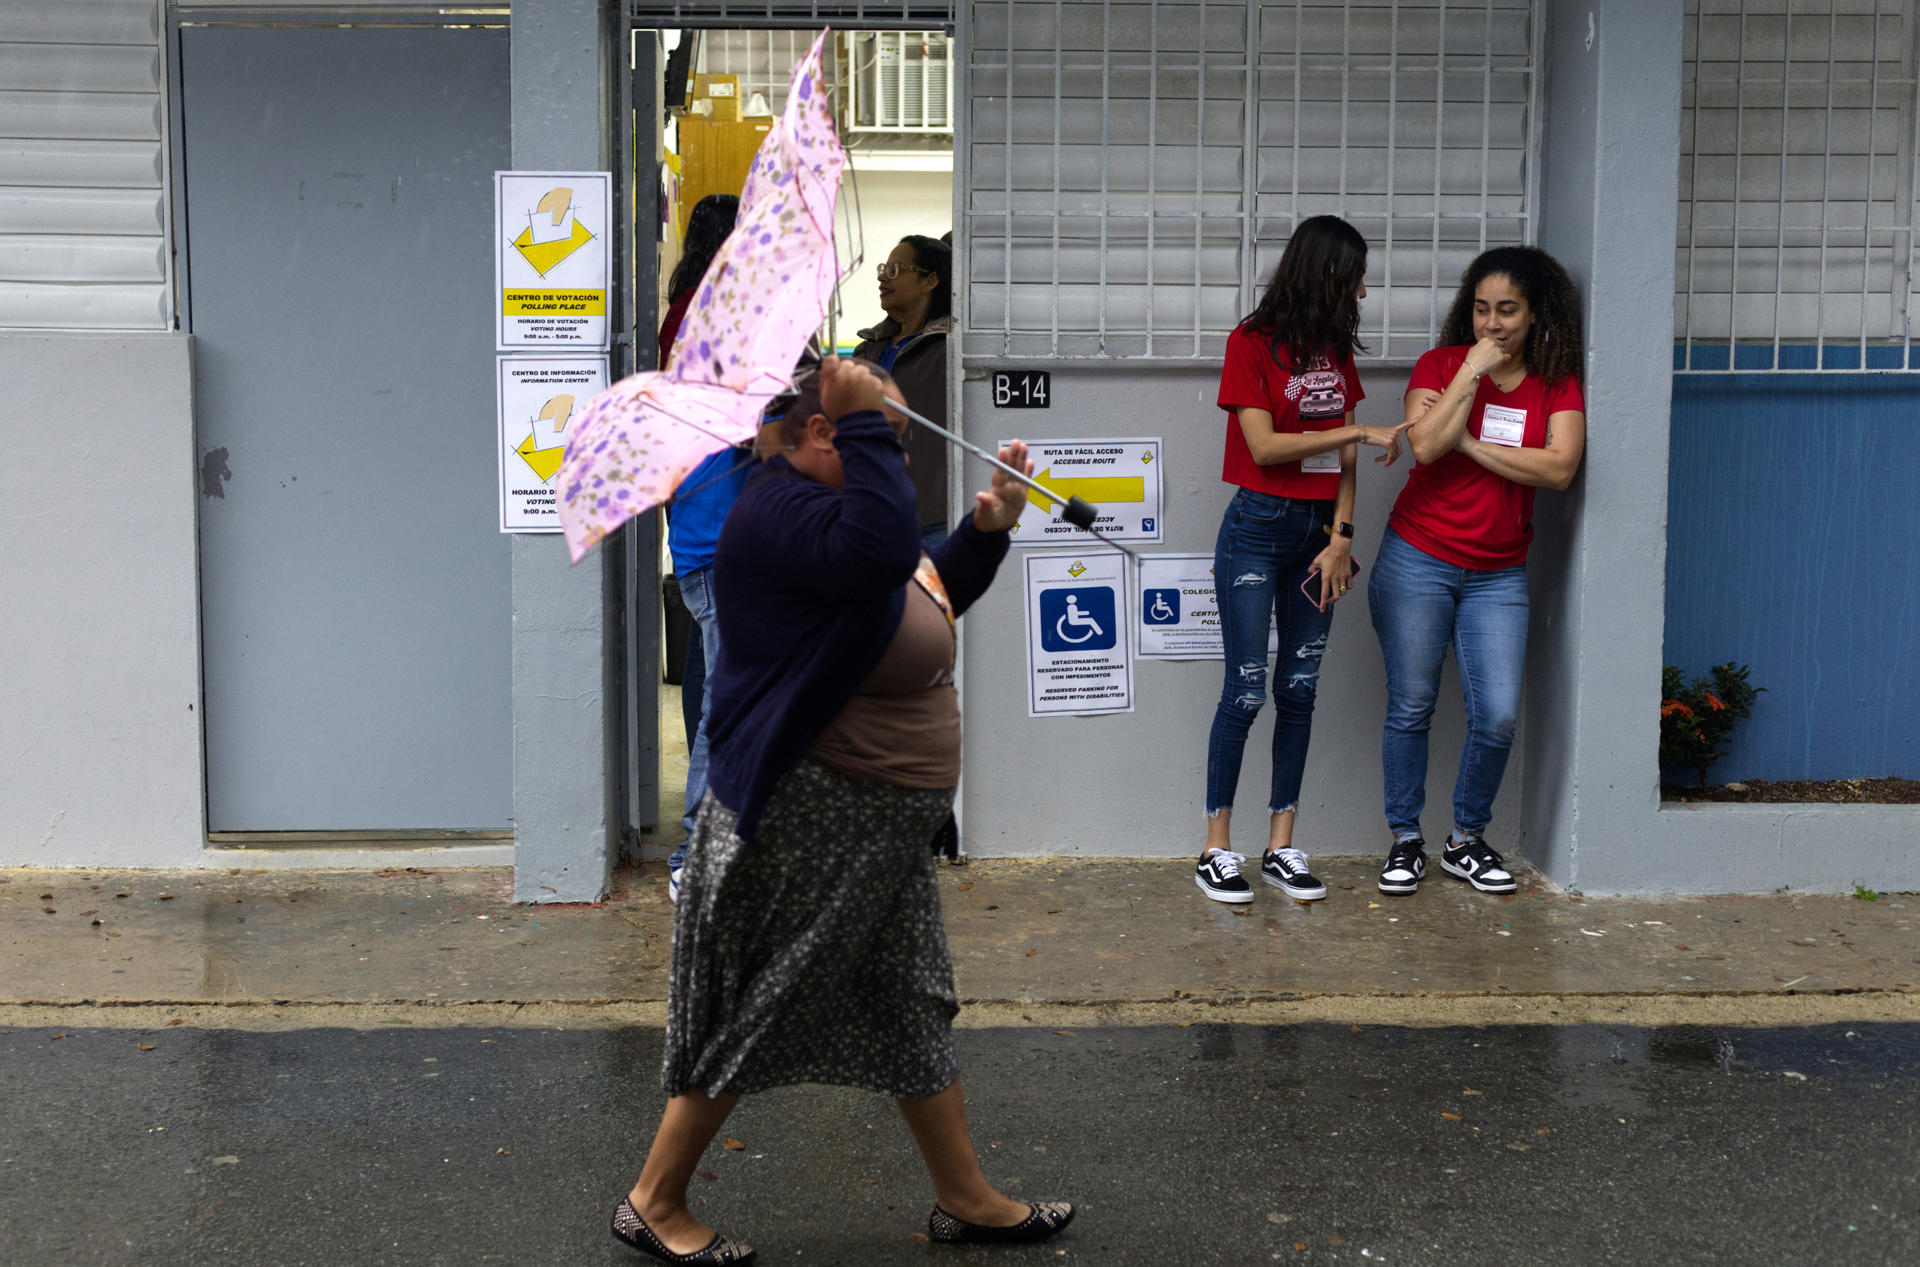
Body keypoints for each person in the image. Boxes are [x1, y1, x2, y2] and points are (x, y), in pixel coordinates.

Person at [610, 355, 1074, 1264]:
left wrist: (983, 533)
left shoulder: (830, 512)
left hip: (876, 826)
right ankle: (654, 1200)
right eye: (885, 437)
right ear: (822, 433)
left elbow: (910, 597)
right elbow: (882, 550)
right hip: (812, 811)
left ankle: (965, 1196)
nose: (895, 459)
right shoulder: (773, 513)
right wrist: (868, 424)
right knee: (766, 1000)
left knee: (909, 1001)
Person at [1194, 215, 1411, 905]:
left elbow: (1345, 458)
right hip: (1256, 529)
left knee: (1300, 689)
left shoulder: (1332, 350)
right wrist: (1352, 425)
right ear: (1323, 274)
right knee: (1247, 688)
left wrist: (1343, 534)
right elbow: (1263, 447)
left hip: (1320, 536)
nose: (1363, 292)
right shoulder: (1250, 343)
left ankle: (1282, 844)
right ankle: (1215, 849)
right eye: (1353, 278)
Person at [1369, 245, 1586, 897]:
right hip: (1418, 559)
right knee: (1412, 704)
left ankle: (1466, 838)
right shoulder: (1441, 364)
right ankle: (1406, 837)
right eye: (1482, 309)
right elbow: (1428, 445)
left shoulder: (1557, 382)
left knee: (1495, 714)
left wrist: (1468, 439)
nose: (1492, 324)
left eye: (1508, 311)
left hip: (1498, 573)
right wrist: (1470, 371)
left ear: (1535, 313)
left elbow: (1560, 468)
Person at [662, 193, 745, 902]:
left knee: (721, 685)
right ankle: (697, 853)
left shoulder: (684, 309)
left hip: (706, 525)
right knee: (726, 699)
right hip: (720, 532)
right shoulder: (716, 317)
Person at [852, 235, 953, 549]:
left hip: (932, 518)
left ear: (930, 280)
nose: (883, 277)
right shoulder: (866, 350)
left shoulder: (952, 349)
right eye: (883, 269)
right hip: (872, 513)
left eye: (896, 270)